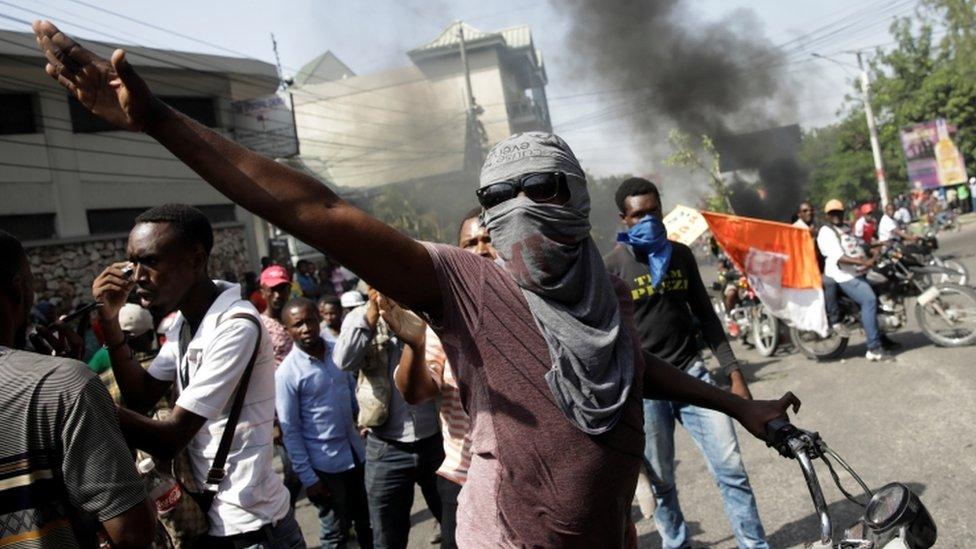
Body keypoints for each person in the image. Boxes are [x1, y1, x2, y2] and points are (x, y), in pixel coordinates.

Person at [33, 24, 801, 546]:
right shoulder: (466, 283)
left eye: (540, 190)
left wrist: (738, 402)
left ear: (576, 197)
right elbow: (312, 206)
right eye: (496, 201)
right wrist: (161, 119)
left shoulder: (595, 285)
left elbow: (631, 364)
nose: (516, 215)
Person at [88, 204, 302, 546]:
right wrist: (110, 322)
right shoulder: (186, 322)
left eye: (150, 261)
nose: (136, 275)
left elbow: (171, 438)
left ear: (195, 260)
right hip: (216, 522)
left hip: (252, 529)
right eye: (131, 262)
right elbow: (141, 396)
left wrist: (82, 400)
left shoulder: (236, 327)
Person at [605, 178, 769, 549]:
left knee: (731, 470)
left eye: (654, 211)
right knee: (662, 482)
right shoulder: (612, 266)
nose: (648, 220)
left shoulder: (680, 255)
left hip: (692, 373)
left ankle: (754, 545)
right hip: (646, 388)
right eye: (638, 215)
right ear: (623, 219)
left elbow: (707, 318)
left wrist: (734, 374)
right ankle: (677, 544)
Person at [0, 230, 155, 548]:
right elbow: (132, 532)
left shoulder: (60, 384)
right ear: (17, 289)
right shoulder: (66, 385)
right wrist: (68, 387)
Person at [391, 208, 494, 549]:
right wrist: (415, 344)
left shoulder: (531, 307)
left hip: (527, 476)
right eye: (471, 243)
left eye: (489, 239)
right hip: (463, 476)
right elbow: (416, 392)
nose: (481, 249)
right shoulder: (443, 322)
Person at [333, 287, 443, 549]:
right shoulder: (359, 316)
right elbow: (343, 361)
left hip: (437, 442)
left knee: (457, 523)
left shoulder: (427, 311)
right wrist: (372, 314)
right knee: (386, 537)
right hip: (386, 448)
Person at [276, 298, 372, 549]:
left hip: (356, 455)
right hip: (324, 466)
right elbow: (290, 429)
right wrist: (309, 478)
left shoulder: (338, 351)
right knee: (334, 532)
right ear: (288, 330)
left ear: (318, 320)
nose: (306, 328)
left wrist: (363, 421)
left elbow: (353, 393)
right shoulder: (287, 373)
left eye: (309, 320)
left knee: (367, 523)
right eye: (297, 324)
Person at [817, 199, 890, 361]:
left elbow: (857, 245)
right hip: (842, 275)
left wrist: (879, 246)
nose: (836, 215)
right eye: (832, 213)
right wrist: (865, 262)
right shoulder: (826, 232)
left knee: (880, 290)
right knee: (869, 300)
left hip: (856, 271)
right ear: (827, 215)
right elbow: (840, 258)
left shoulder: (845, 228)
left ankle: (883, 339)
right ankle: (874, 348)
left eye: (838, 212)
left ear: (843, 212)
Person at [259, 265, 295, 367]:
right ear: (263, 292)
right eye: (272, 289)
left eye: (282, 289)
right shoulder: (260, 326)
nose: (277, 295)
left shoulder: (297, 319)